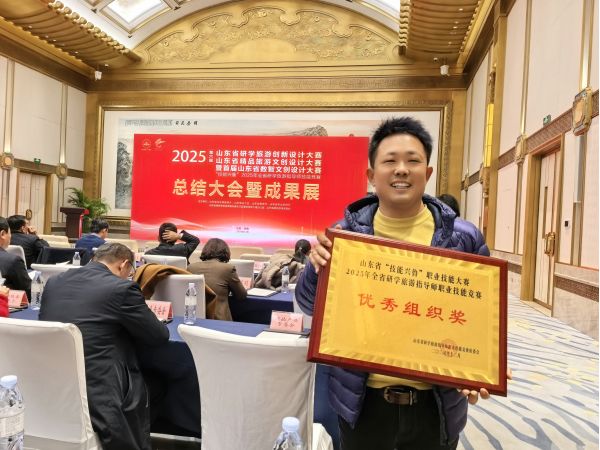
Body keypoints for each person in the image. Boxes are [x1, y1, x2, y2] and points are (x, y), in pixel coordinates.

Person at [295, 117, 501, 450]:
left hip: (435, 406)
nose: (401, 169)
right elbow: (308, 305)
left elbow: (483, 316)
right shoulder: (344, 236)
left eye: (412, 160)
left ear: (427, 173)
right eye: (390, 161)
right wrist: (314, 268)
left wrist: (482, 368)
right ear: (371, 175)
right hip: (362, 402)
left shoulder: (463, 238)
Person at [39, 242, 169, 450]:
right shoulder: (122, 288)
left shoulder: (54, 282)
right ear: (123, 264)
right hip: (101, 396)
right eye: (130, 272)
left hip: (50, 387)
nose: (129, 276)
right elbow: (158, 336)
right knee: (159, 384)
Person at [187, 238, 246, 321]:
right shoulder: (228, 268)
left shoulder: (191, 267)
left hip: (194, 318)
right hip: (219, 320)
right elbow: (241, 296)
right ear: (225, 252)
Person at [0, 216, 31, 300]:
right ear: (2, 234)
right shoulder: (13, 261)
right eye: (10, 233)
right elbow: (29, 292)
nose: (10, 236)